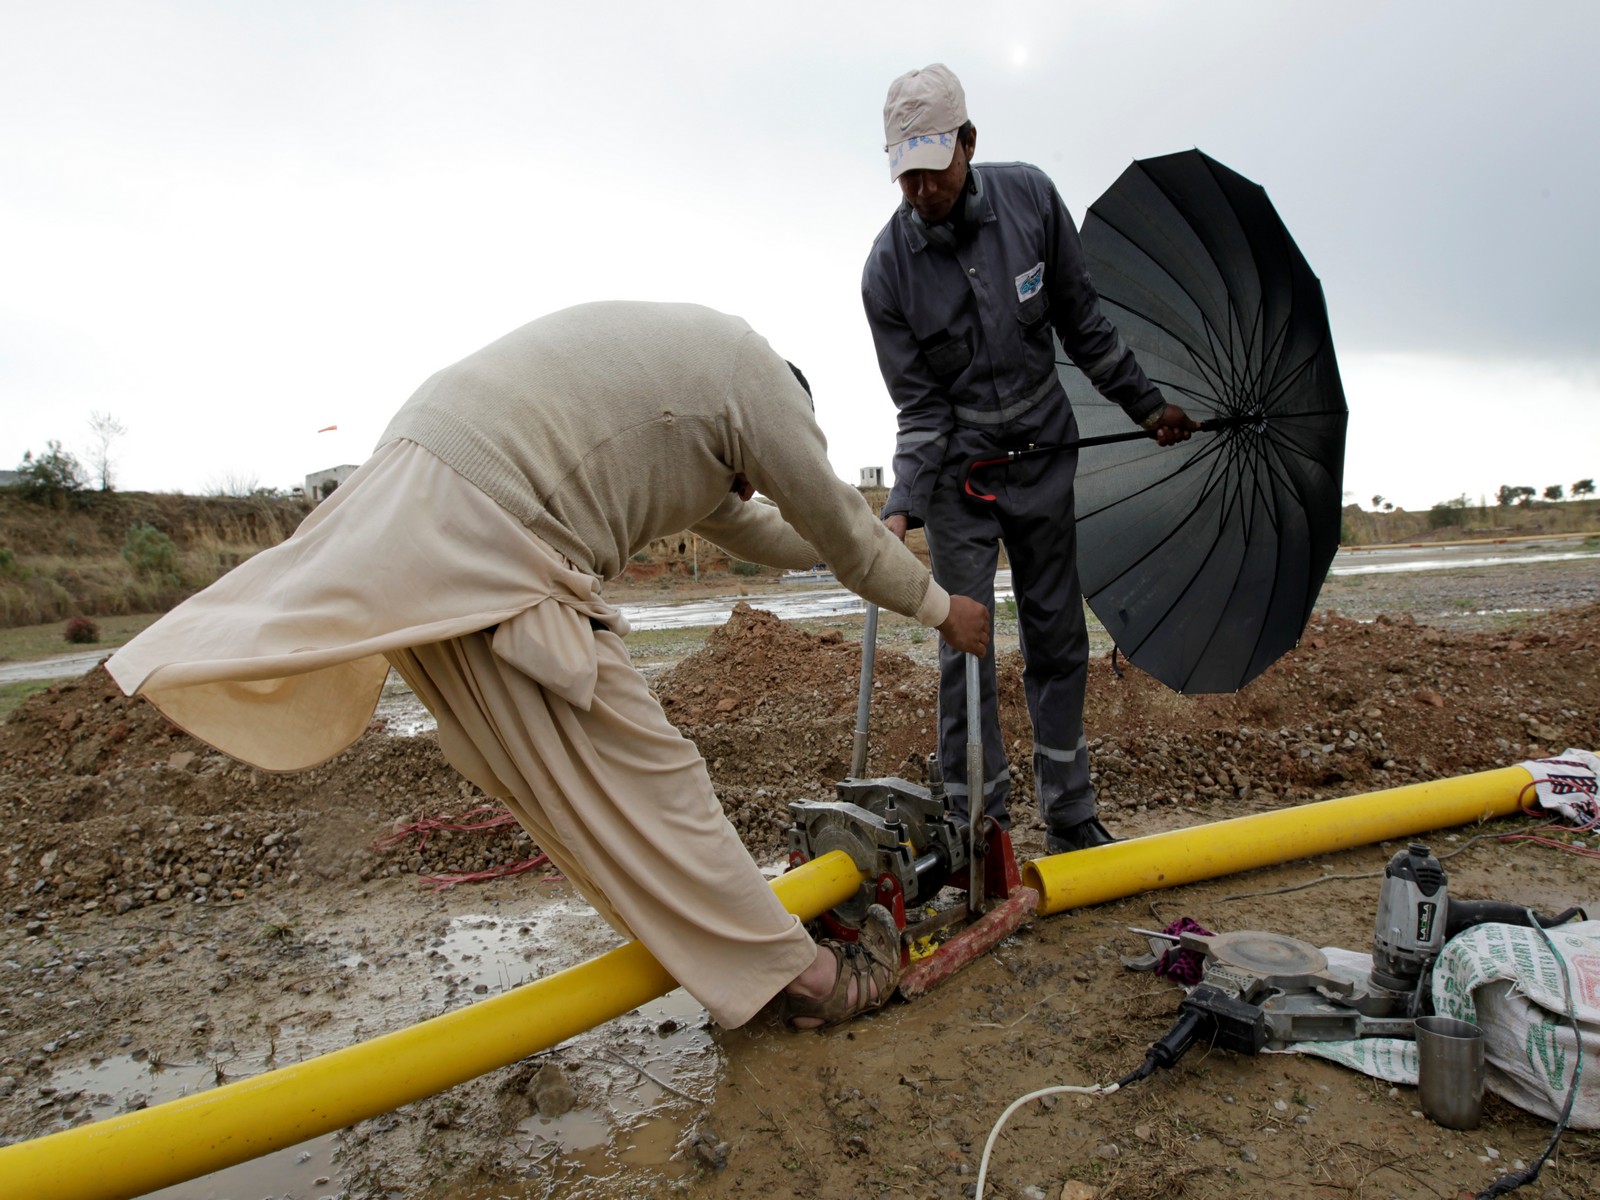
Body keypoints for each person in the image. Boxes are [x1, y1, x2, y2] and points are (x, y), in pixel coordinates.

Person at [107, 300, 990, 1031]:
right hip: (495, 519)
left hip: (424, 474)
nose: (750, 490)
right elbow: (825, 518)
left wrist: (872, 541)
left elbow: (781, 534)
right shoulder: (754, 380)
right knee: (654, 774)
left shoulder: (693, 402)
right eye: (766, 470)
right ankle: (809, 981)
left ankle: (730, 966)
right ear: (787, 416)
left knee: (555, 782)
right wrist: (943, 609)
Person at [860, 64, 1197, 854]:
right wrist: (903, 502)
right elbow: (921, 407)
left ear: (968, 145)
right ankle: (978, 823)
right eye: (904, 173)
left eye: (931, 169)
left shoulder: (1033, 201)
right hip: (961, 478)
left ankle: (1071, 814)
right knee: (963, 641)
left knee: (1056, 637)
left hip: (1045, 455)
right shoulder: (887, 272)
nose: (919, 190)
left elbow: (1084, 326)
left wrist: (1145, 405)